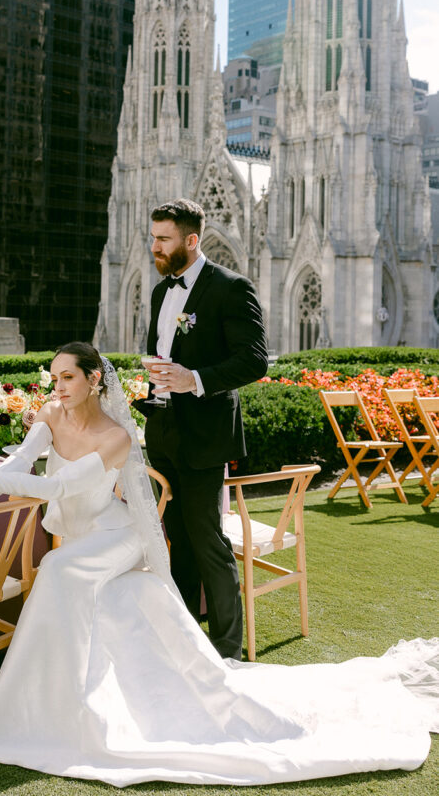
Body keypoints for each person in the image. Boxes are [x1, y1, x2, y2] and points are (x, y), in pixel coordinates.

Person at [0, 342, 438, 788]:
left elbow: (62, 488)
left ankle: (66, 710)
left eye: (68, 378)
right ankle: (41, 705)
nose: (58, 387)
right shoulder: (50, 412)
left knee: (58, 569)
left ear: (94, 379)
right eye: (54, 378)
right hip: (82, 534)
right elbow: (21, 457)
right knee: (63, 569)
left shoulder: (118, 436)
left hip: (117, 536)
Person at [137, 198, 268, 660]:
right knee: (177, 539)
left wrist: (194, 379)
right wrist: (155, 373)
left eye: (163, 239)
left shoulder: (231, 288)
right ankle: (186, 636)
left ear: (191, 241)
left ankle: (228, 651)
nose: (154, 246)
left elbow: (254, 360)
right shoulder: (159, 292)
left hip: (206, 436)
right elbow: (165, 348)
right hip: (165, 432)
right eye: (153, 237)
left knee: (208, 539)